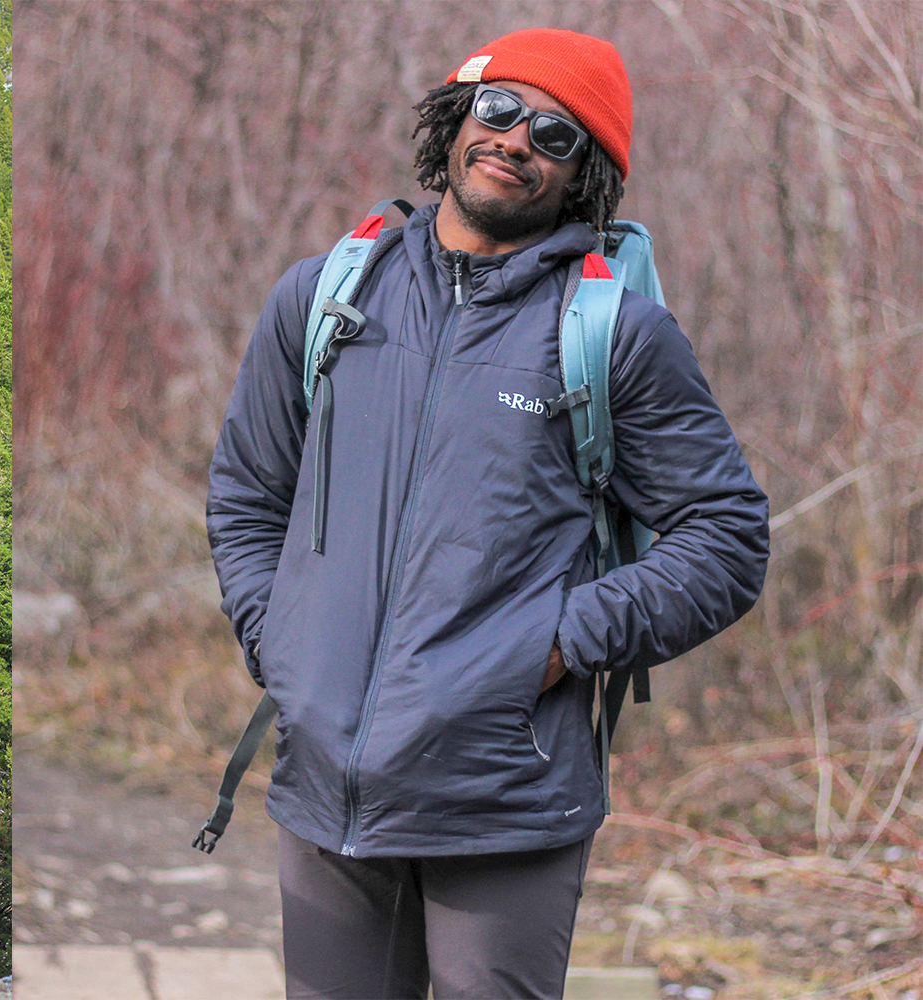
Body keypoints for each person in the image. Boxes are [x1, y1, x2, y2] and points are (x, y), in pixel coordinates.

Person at [205, 28, 768, 1000]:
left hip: (504, 799)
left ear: (583, 173)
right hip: (324, 789)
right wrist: (282, 640)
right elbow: (250, 494)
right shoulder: (326, 298)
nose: (517, 140)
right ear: (456, 121)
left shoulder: (615, 337)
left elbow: (727, 536)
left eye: (556, 134)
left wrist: (557, 641)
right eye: (500, 110)